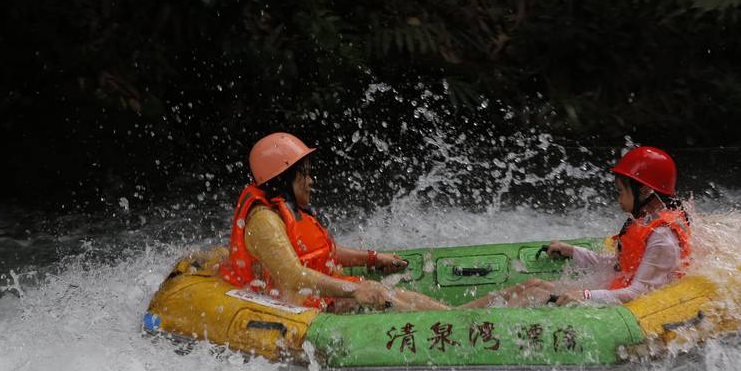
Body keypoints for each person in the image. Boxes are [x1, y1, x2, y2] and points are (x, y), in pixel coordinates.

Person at [218, 132, 449, 313]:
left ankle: (453, 314)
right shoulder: (264, 221)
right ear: (284, 176)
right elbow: (294, 276)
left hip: (306, 299)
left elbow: (320, 254)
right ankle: (455, 318)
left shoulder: (285, 211)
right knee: (379, 293)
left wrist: (373, 258)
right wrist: (354, 289)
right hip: (284, 309)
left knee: (383, 291)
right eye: (304, 174)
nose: (311, 181)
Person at [462, 146, 691, 308]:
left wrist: (586, 295)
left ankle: (470, 328)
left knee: (535, 296)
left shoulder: (662, 238)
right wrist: (574, 252)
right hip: (614, 294)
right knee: (534, 284)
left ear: (644, 192)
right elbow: (620, 267)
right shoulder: (645, 219)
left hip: (626, 309)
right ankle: (459, 315)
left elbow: (639, 293)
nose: (617, 199)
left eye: (621, 191)